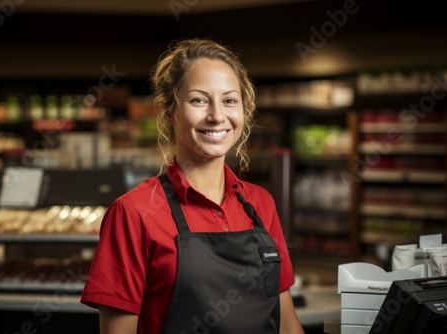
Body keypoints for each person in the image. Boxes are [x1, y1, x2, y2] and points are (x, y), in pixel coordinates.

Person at [81, 38, 304, 334]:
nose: (217, 116)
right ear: (169, 111)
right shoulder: (133, 213)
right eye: (199, 100)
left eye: (229, 100)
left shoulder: (260, 204)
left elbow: (287, 326)